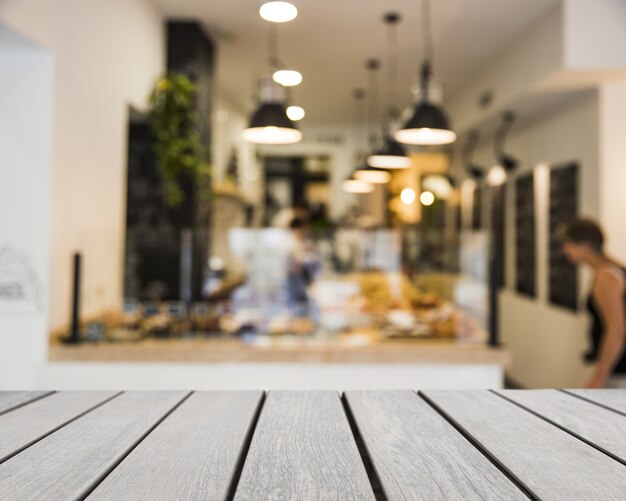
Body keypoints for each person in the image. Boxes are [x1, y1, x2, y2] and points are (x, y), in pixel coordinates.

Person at [560, 218, 626, 388]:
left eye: (568, 244)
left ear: (585, 247)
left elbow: (616, 330)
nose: (565, 250)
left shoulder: (607, 277)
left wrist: (599, 377)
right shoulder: (613, 269)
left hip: (619, 372)